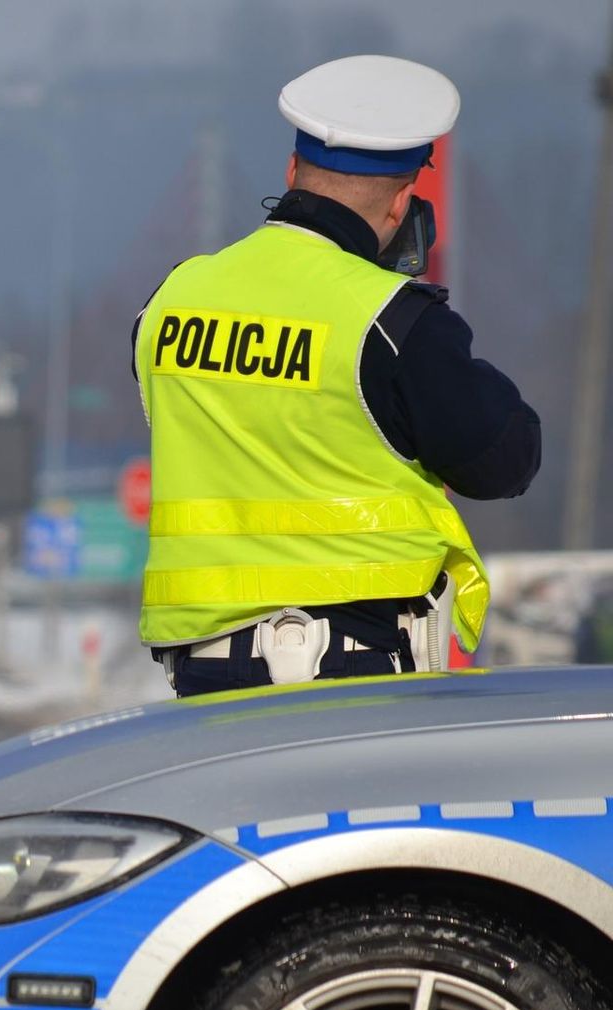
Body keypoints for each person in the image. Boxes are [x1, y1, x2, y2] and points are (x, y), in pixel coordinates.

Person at [132, 54, 540, 697]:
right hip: (352, 670)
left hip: (202, 677)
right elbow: (502, 461)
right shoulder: (393, 321)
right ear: (405, 200)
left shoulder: (171, 300)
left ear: (292, 171)